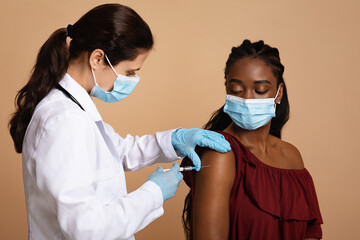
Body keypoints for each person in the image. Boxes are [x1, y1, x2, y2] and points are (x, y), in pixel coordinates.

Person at [8, 4, 231, 240]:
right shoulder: (63, 121)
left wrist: (174, 141)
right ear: (97, 58)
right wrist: (153, 193)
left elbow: (116, 151)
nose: (133, 81)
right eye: (130, 72)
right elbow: (85, 229)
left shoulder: (74, 109)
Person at [181, 40, 323, 240]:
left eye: (260, 90)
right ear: (227, 91)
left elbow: (310, 232)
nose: (247, 99)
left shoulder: (291, 157)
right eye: (237, 90)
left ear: (278, 92)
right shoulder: (220, 154)